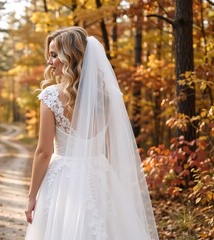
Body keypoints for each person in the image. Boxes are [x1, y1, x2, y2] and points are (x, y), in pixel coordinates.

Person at [24, 26, 159, 240]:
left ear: (70, 57)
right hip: (100, 174)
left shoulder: (51, 96)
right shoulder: (107, 96)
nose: (49, 61)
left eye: (54, 55)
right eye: (49, 55)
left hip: (62, 179)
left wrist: (32, 197)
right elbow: (114, 148)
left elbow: (43, 152)